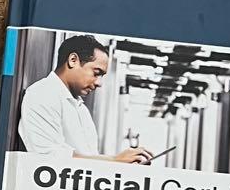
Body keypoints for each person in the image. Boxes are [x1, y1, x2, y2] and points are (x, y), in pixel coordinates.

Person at [18, 34, 153, 163]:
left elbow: (90, 159)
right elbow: (50, 158)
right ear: (73, 60)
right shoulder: (42, 94)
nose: (99, 83)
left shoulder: (81, 110)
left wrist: (121, 165)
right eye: (96, 73)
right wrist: (115, 161)